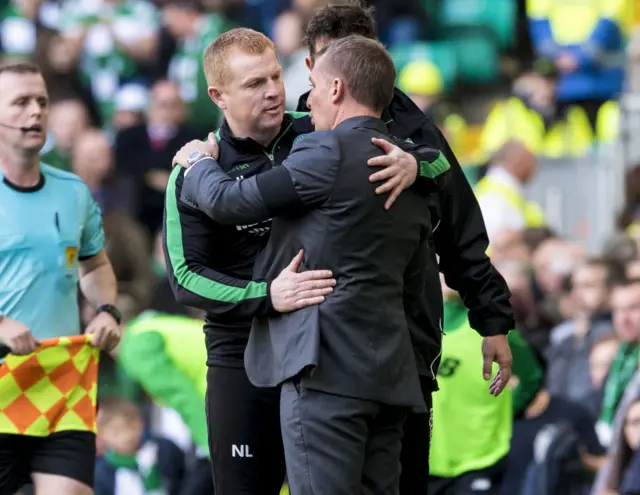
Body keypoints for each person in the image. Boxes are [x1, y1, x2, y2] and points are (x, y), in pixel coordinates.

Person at [176, 34, 505, 495]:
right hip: (244, 352)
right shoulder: (206, 163)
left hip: (322, 358)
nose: (276, 90)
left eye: (277, 76)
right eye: (255, 83)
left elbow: (438, 168)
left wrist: (417, 163)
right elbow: (186, 279)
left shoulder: (321, 139)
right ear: (218, 95)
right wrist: (265, 296)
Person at [297, 4, 515, 493]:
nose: (342, 77)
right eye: (331, 59)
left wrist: (493, 320)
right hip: (313, 350)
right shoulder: (298, 127)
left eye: (357, 56)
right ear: (313, 68)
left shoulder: (421, 138)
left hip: (407, 351)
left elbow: (461, 236)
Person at [0, 62, 121, 495]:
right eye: (20, 102)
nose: (35, 112)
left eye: (42, 102)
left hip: (59, 381)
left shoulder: (73, 192)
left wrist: (107, 309)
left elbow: (95, 266)